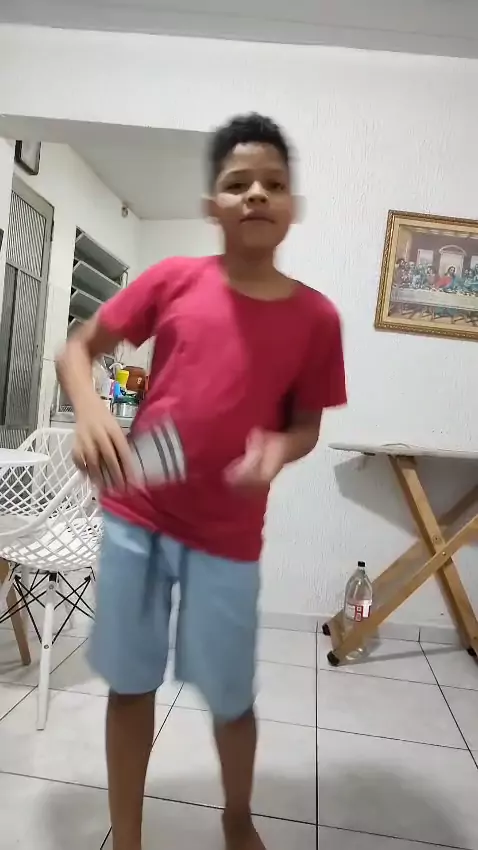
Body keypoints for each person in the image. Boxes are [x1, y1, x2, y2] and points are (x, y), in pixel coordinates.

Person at [56, 113, 346, 850]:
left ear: (293, 207)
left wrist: (279, 448)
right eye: (237, 183)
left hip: (228, 536)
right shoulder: (173, 280)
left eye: (273, 183)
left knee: (230, 696)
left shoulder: (317, 319)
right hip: (138, 516)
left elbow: (306, 426)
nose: (256, 194)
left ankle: (237, 817)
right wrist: (90, 409)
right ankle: (128, 839)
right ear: (212, 206)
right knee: (131, 684)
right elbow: (79, 350)